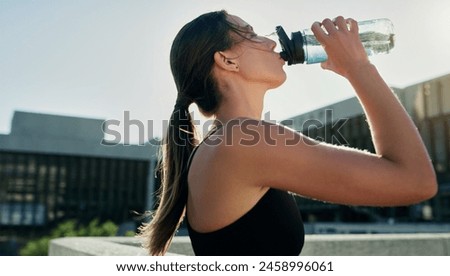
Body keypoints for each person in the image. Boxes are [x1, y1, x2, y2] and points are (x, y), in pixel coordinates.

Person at [139, 10, 437, 256]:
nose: (270, 43)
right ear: (227, 60)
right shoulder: (242, 140)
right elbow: (415, 180)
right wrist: (358, 67)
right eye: (252, 34)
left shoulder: (227, 142)